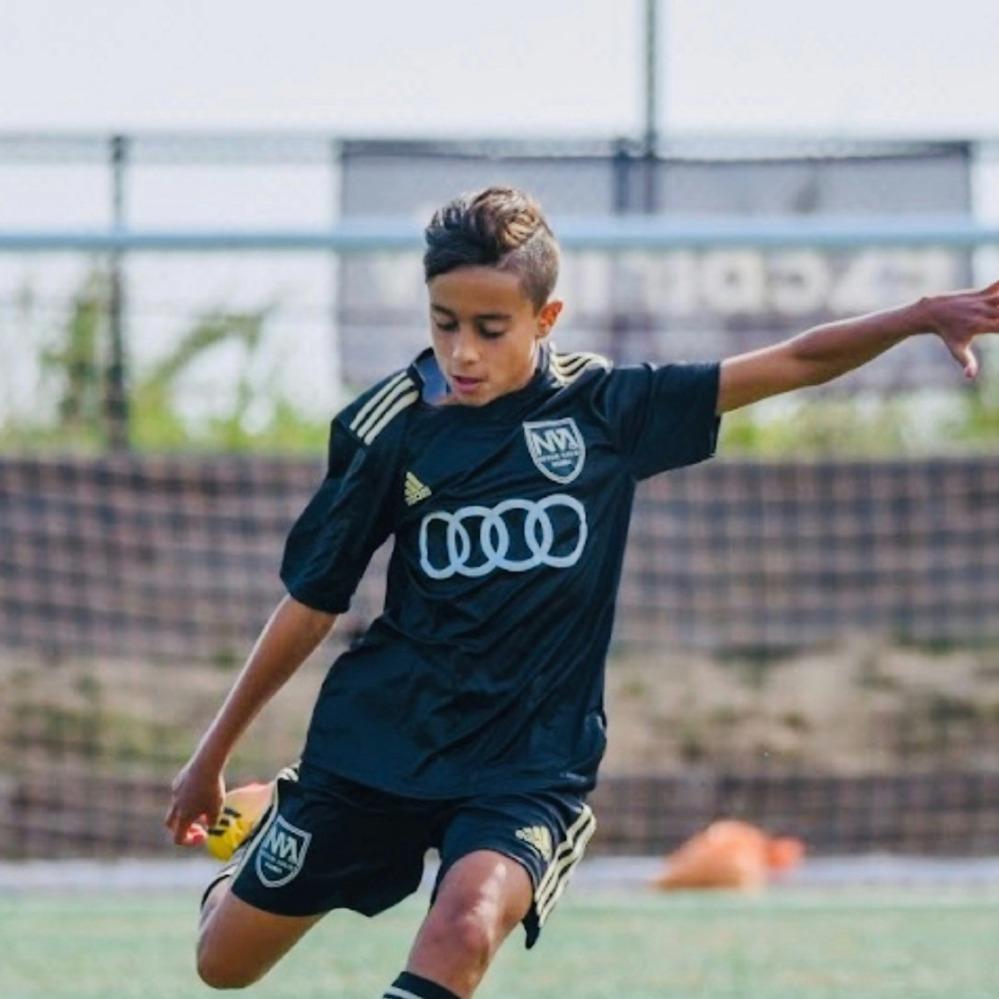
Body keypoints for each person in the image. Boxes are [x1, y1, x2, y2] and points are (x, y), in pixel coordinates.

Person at [165, 185, 998, 998]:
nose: (462, 351)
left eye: (490, 328)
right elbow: (313, 601)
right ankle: (275, 816)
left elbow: (794, 361)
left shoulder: (603, 411)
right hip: (382, 744)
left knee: (465, 927)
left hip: (525, 763)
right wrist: (210, 757)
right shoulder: (391, 426)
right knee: (223, 965)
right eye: (444, 323)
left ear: (545, 318)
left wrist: (917, 314)